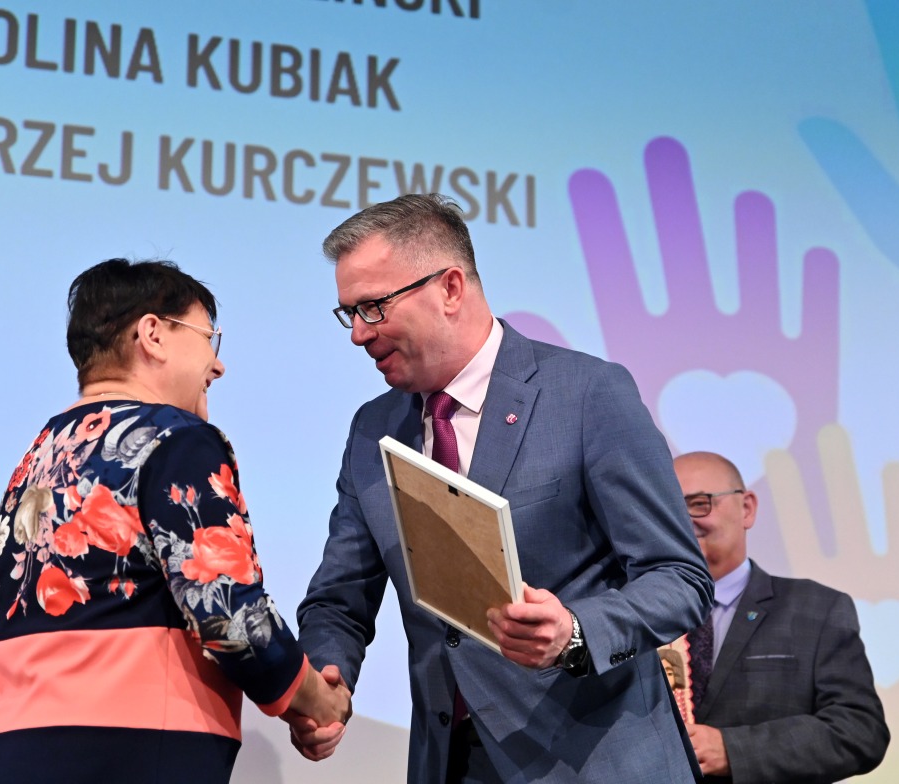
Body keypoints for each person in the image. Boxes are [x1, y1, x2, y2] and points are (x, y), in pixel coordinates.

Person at [292, 194, 714, 783]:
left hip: (593, 763)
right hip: (450, 763)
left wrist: (575, 632)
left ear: (450, 288)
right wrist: (325, 680)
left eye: (374, 308)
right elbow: (339, 598)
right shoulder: (372, 429)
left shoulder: (587, 394)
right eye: (349, 313)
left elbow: (680, 578)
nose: (359, 334)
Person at [0, 259, 350, 783]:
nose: (218, 366)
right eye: (209, 339)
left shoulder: (40, 454)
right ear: (153, 335)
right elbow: (228, 612)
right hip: (122, 755)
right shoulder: (176, 437)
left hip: (0, 752)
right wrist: (317, 699)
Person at [672, 451, 889, 783]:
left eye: (699, 503)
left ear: (747, 508)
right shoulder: (634, 618)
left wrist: (733, 750)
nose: (683, 519)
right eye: (669, 508)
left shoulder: (816, 609)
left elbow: (859, 731)